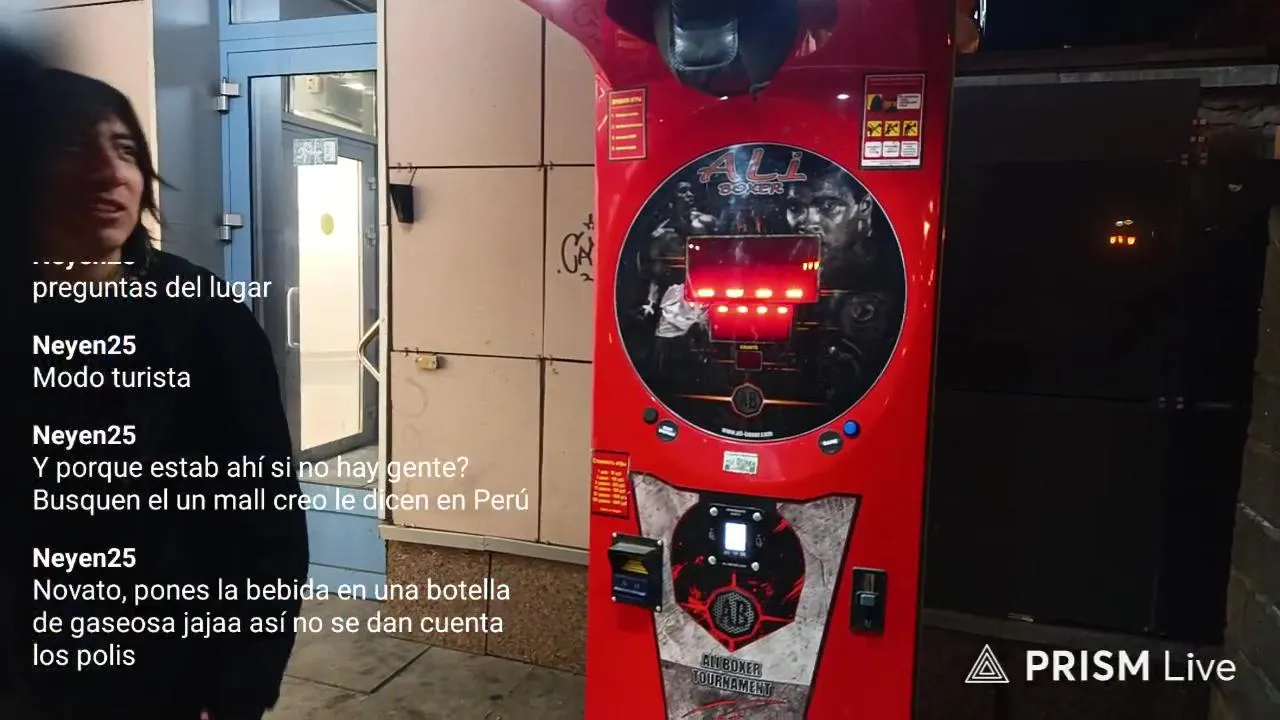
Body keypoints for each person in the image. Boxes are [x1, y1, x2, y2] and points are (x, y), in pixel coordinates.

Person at [25, 69, 309, 719]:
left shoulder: (204, 319)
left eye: (126, 150)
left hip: (159, 676)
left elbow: (263, 524)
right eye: (72, 145)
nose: (110, 172)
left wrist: (237, 686)